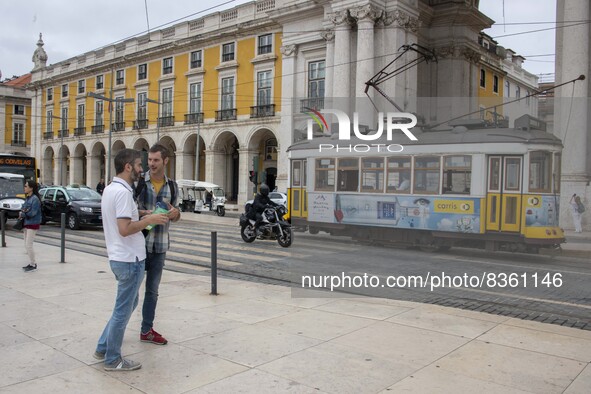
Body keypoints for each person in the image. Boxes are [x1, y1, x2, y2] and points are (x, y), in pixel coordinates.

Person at [94, 149, 169, 371]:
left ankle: (102, 346)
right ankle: (112, 359)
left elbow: (125, 219)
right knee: (122, 310)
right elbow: (125, 229)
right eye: (138, 165)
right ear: (128, 167)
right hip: (129, 258)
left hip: (120, 257)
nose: (141, 169)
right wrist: (151, 219)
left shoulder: (110, 189)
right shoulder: (124, 193)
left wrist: (144, 215)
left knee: (127, 304)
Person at [135, 144, 181, 346]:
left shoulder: (172, 186)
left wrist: (175, 213)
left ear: (165, 161)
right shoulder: (139, 182)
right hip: (138, 244)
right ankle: (117, 329)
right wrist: (148, 215)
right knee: (130, 290)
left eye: (155, 160)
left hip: (160, 245)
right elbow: (127, 212)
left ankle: (147, 330)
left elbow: (177, 213)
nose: (151, 164)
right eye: (150, 160)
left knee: (152, 291)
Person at [21, 180, 42, 272]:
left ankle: (33, 264)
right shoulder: (28, 198)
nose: (24, 188)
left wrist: (23, 214)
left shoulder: (35, 199)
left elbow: (32, 213)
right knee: (26, 244)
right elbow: (24, 208)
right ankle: (31, 263)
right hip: (27, 223)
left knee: (29, 245)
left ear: (31, 188)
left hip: (33, 223)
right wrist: (23, 212)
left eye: (26, 186)